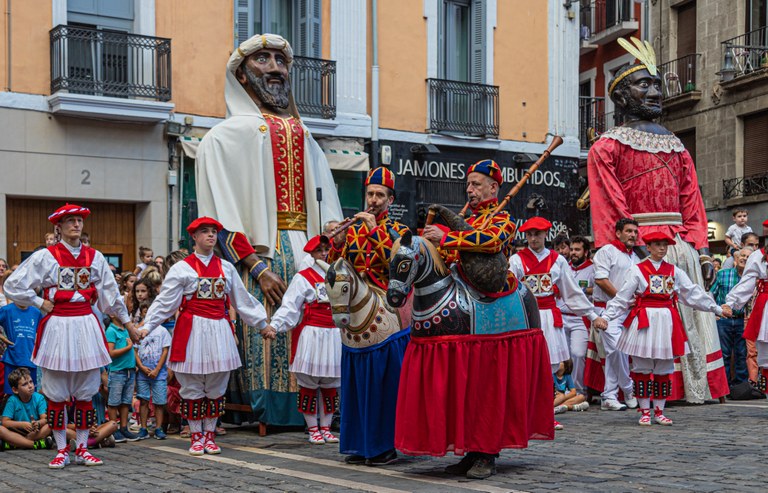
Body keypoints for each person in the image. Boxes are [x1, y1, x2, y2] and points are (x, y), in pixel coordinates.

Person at [195, 33, 342, 429]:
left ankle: (320, 411)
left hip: (310, 250)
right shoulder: (220, 139)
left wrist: (333, 235)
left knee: (319, 328)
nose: (276, 67)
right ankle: (273, 410)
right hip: (262, 251)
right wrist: (257, 267)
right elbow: (219, 217)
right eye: (263, 59)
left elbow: (325, 199)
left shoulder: (304, 134)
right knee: (270, 332)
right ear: (241, 75)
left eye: (281, 60)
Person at [587, 37, 728, 403]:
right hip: (638, 250)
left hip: (676, 248)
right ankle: (634, 389)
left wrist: (702, 250)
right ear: (621, 97)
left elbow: (692, 201)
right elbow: (610, 205)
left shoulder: (677, 145)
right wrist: (626, 251)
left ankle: (683, 387)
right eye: (643, 84)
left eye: (656, 84)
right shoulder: (607, 145)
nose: (655, 91)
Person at [410, 161, 553, 480]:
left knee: (487, 382)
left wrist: (446, 237)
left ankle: (487, 452)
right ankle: (472, 448)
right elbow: (451, 256)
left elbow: (488, 243)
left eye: (477, 185)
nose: (470, 190)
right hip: (462, 288)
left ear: (493, 188)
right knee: (469, 384)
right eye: (469, 184)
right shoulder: (470, 216)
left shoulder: (502, 218)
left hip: (492, 296)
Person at [4, 203, 137, 468]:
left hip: (85, 324)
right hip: (58, 325)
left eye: (79, 220)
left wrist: (128, 323)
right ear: (59, 227)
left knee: (86, 391)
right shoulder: (46, 257)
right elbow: (13, 284)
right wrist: (39, 302)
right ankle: (62, 449)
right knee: (57, 393)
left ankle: (83, 448)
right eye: (71, 221)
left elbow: (110, 295)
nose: (76, 224)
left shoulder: (95, 257)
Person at [139, 217, 268, 456]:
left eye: (213, 232)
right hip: (193, 330)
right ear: (194, 237)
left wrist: (262, 323)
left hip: (218, 329)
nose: (210, 235)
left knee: (217, 385)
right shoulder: (182, 268)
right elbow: (166, 301)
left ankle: (209, 435)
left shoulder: (226, 267)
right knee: (192, 384)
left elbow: (242, 300)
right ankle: (196, 436)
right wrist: (147, 325)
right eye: (205, 232)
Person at [327, 167, 410, 467]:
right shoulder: (351, 229)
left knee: (385, 385)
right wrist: (333, 241)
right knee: (355, 382)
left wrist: (375, 229)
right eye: (370, 194)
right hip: (356, 305)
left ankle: (384, 445)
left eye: (380, 195)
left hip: (387, 300)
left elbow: (396, 262)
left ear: (390, 200)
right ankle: (359, 444)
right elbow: (340, 267)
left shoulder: (399, 230)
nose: (374, 199)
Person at [602, 232, 725, 426]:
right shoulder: (637, 270)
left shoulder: (674, 271)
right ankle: (644, 411)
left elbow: (691, 293)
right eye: (657, 244)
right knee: (642, 367)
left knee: (663, 367)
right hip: (645, 321)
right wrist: (606, 317)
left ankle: (659, 411)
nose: (661, 248)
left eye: (664, 245)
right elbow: (623, 298)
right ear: (648, 247)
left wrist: (716, 308)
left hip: (667, 321)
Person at [509, 216, 604, 432]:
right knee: (528, 366)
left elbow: (572, 292)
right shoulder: (516, 260)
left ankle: (545, 414)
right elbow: (510, 290)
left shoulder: (557, 260)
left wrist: (591, 315)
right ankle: (525, 414)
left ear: (545, 235)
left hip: (551, 318)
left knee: (550, 367)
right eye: (529, 235)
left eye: (537, 234)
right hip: (528, 316)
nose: (533, 239)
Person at [261, 235, 340, 445]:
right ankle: (313, 428)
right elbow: (290, 306)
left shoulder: (340, 274)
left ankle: (326, 427)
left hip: (333, 333)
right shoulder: (303, 277)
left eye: (326, 249)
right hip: (312, 334)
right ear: (312, 254)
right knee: (310, 383)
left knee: (330, 384)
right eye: (320, 250)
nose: (324, 253)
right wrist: (275, 326)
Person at [584, 218, 640, 411]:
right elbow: (600, 280)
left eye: (635, 231)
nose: (633, 234)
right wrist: (622, 299)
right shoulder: (607, 251)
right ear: (618, 233)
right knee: (618, 349)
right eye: (629, 231)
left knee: (614, 352)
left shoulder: (636, 258)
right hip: (606, 310)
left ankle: (609, 395)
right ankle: (628, 388)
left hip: (628, 312)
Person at [710, 248, 749, 385]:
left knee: (741, 354)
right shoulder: (722, 274)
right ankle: (724, 386)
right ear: (736, 259)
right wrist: (714, 313)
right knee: (724, 354)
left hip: (741, 321)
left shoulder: (751, 278)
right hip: (723, 320)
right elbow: (711, 294)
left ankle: (741, 386)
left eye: (748, 257)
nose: (745, 259)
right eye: (742, 256)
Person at [561, 235, 594, 396]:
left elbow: (599, 290)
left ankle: (579, 390)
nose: (573, 253)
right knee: (563, 355)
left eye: (577, 250)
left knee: (578, 353)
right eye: (572, 249)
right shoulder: (563, 266)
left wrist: (583, 291)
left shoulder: (593, 269)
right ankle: (564, 389)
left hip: (579, 318)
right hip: (560, 316)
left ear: (586, 252)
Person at [134, 318, 171, 440]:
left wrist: (157, 369)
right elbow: (135, 351)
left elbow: (165, 351)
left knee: (159, 402)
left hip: (159, 373)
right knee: (143, 400)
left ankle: (158, 428)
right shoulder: (139, 331)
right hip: (142, 373)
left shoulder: (163, 331)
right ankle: (143, 428)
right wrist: (141, 367)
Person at [105, 316, 139, 443]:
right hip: (117, 371)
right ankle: (113, 428)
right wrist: (128, 348)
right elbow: (111, 353)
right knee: (114, 401)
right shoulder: (111, 331)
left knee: (126, 401)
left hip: (129, 371)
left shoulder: (126, 329)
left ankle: (124, 428)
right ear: (112, 315)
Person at [0, 368, 51, 450]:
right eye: (25, 384)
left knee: (50, 425)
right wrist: (21, 424)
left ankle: (15, 444)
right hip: (17, 432)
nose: (30, 386)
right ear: (15, 390)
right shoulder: (12, 400)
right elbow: (5, 422)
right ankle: (34, 444)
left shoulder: (39, 398)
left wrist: (38, 423)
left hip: (34, 432)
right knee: (0, 429)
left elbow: (44, 419)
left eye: (31, 382)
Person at [0, 301, 42, 396]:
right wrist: (3, 338)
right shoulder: (7, 310)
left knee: (30, 395)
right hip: (12, 358)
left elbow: (43, 329)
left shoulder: (36, 312)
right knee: (11, 396)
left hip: (30, 359)